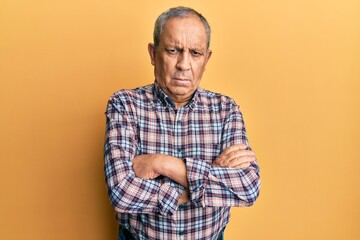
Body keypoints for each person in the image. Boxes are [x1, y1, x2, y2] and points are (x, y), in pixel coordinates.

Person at [104, 6, 260, 240]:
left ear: (206, 59)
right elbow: (121, 192)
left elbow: (247, 188)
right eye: (173, 50)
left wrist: (161, 164)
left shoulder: (226, 110)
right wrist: (211, 175)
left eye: (195, 53)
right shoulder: (125, 105)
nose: (184, 64)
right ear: (152, 54)